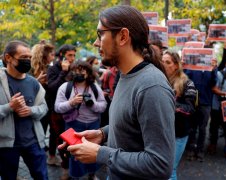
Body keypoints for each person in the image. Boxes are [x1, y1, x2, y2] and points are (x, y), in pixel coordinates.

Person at [59, 5, 175, 180]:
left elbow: (160, 164)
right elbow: (132, 122)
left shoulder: (151, 86)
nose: (95, 42)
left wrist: (101, 154)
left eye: (100, 34)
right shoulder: (125, 74)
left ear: (123, 36)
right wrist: (103, 134)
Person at [0, 40, 48, 179]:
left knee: (42, 176)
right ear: (8, 58)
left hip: (33, 142)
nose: (27, 61)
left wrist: (31, 111)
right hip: (6, 145)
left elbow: (44, 107)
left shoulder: (33, 82)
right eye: (23, 58)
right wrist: (9, 107)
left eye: (29, 58)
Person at [55, 61, 107, 179]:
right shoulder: (65, 87)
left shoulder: (94, 87)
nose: (79, 73)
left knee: (94, 152)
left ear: (88, 73)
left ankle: (92, 174)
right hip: (73, 125)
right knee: (75, 154)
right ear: (71, 72)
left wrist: (92, 104)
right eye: (76, 71)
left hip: (93, 124)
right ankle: (75, 176)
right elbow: (57, 107)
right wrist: (71, 103)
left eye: (82, 71)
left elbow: (103, 106)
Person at [162, 51, 196, 180]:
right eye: (162, 61)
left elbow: (190, 108)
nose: (164, 64)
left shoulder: (187, 83)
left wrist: (172, 106)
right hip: (160, 132)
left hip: (178, 133)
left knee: (170, 170)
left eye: (168, 62)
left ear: (176, 65)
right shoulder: (158, 78)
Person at [47, 44, 76, 179]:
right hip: (56, 110)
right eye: (70, 55)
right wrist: (63, 72)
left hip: (71, 110)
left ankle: (67, 163)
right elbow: (52, 88)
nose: (72, 58)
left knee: (69, 136)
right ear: (61, 55)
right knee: (57, 135)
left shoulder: (74, 68)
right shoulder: (53, 68)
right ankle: (54, 157)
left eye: (74, 55)